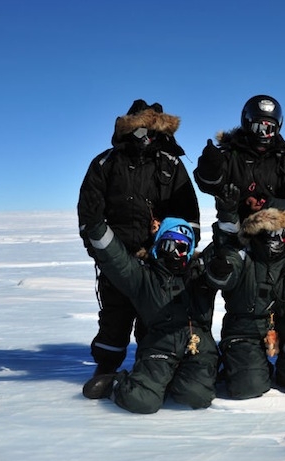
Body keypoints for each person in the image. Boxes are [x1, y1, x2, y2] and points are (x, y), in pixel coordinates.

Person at [77, 99, 201, 379]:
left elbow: (189, 216)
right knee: (114, 318)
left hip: (161, 261)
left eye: (150, 130)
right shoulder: (105, 163)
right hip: (118, 256)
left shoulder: (171, 165)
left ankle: (155, 368)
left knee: (155, 320)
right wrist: (100, 252)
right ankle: (106, 368)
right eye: (140, 130)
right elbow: (89, 214)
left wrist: (175, 245)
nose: (144, 136)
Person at [78, 217, 218, 413]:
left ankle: (175, 380)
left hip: (197, 345)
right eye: (171, 245)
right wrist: (97, 227)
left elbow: (223, 245)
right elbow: (116, 260)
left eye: (183, 248)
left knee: (196, 396)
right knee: (142, 401)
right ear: (160, 244)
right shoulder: (144, 277)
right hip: (159, 344)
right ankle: (115, 384)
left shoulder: (199, 274)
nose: (177, 253)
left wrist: (228, 215)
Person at [204, 208, 285, 399]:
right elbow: (224, 274)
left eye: (283, 235)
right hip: (244, 328)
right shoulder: (242, 257)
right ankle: (248, 367)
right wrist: (220, 270)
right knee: (248, 387)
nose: (275, 240)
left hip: (284, 325)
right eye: (269, 233)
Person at [195, 94, 285, 246]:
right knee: (221, 265)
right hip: (234, 238)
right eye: (258, 128)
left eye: (269, 129)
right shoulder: (230, 158)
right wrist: (210, 168)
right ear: (247, 124)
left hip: (278, 241)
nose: (263, 134)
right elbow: (209, 185)